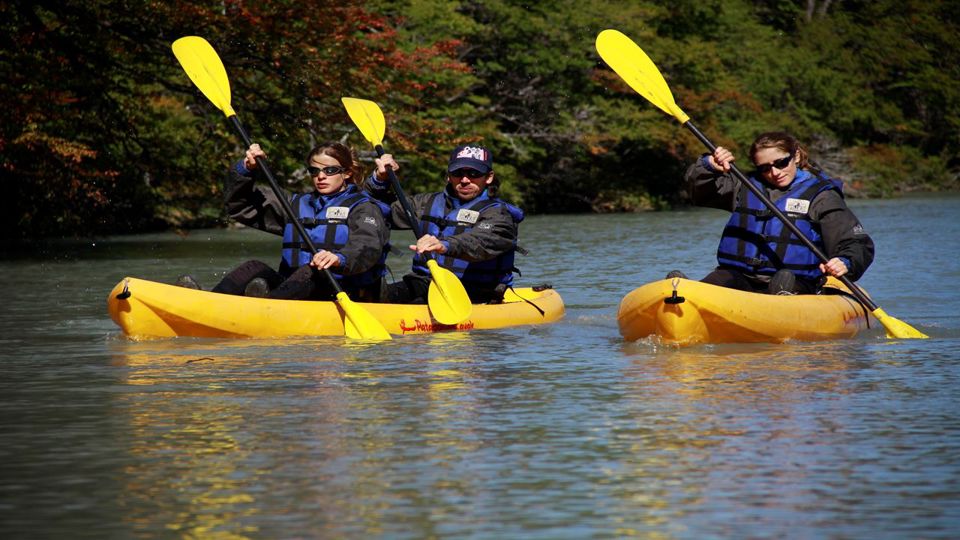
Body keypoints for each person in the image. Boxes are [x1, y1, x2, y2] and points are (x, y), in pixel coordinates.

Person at [179, 141, 391, 301]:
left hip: (341, 290)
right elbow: (240, 205)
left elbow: (368, 247)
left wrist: (339, 259)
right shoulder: (295, 204)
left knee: (313, 270)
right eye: (314, 171)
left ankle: (264, 307)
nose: (321, 176)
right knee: (254, 267)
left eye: (330, 170)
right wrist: (246, 169)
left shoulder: (364, 207)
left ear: (347, 173)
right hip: (292, 287)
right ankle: (209, 303)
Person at [676, 131, 874, 295]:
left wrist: (845, 261)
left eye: (781, 163)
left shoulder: (822, 196)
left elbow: (856, 242)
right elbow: (698, 193)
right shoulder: (743, 186)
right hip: (742, 277)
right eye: (764, 168)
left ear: (796, 156)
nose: (775, 172)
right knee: (718, 280)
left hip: (798, 282)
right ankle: (686, 295)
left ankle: (780, 304)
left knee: (783, 281)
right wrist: (708, 166)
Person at [365, 144, 524, 304]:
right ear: (448, 176)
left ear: (488, 177)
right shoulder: (426, 203)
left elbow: (481, 242)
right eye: (457, 173)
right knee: (371, 293)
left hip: (475, 291)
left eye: (474, 173)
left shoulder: (499, 214)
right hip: (424, 283)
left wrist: (444, 245)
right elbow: (373, 210)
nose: (465, 180)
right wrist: (379, 181)